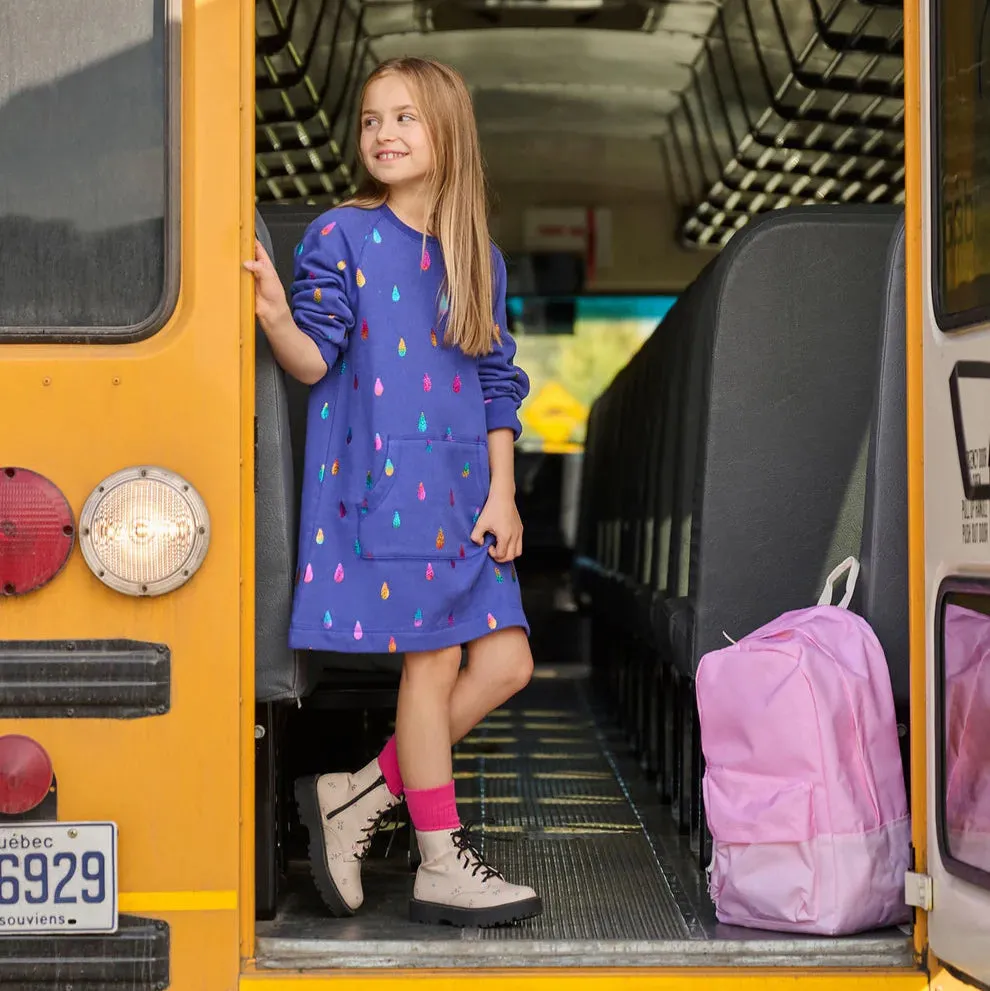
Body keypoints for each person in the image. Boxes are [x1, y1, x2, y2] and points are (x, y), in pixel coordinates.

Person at [245, 56, 542, 929]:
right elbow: (313, 359)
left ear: (447, 133)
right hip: (388, 488)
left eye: (405, 118)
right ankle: (441, 861)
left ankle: (353, 792)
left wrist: (504, 495)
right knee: (435, 661)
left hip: (465, 496)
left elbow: (497, 383)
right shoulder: (341, 234)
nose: (384, 134)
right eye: (372, 120)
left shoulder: (474, 252)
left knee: (510, 662)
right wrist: (272, 311)